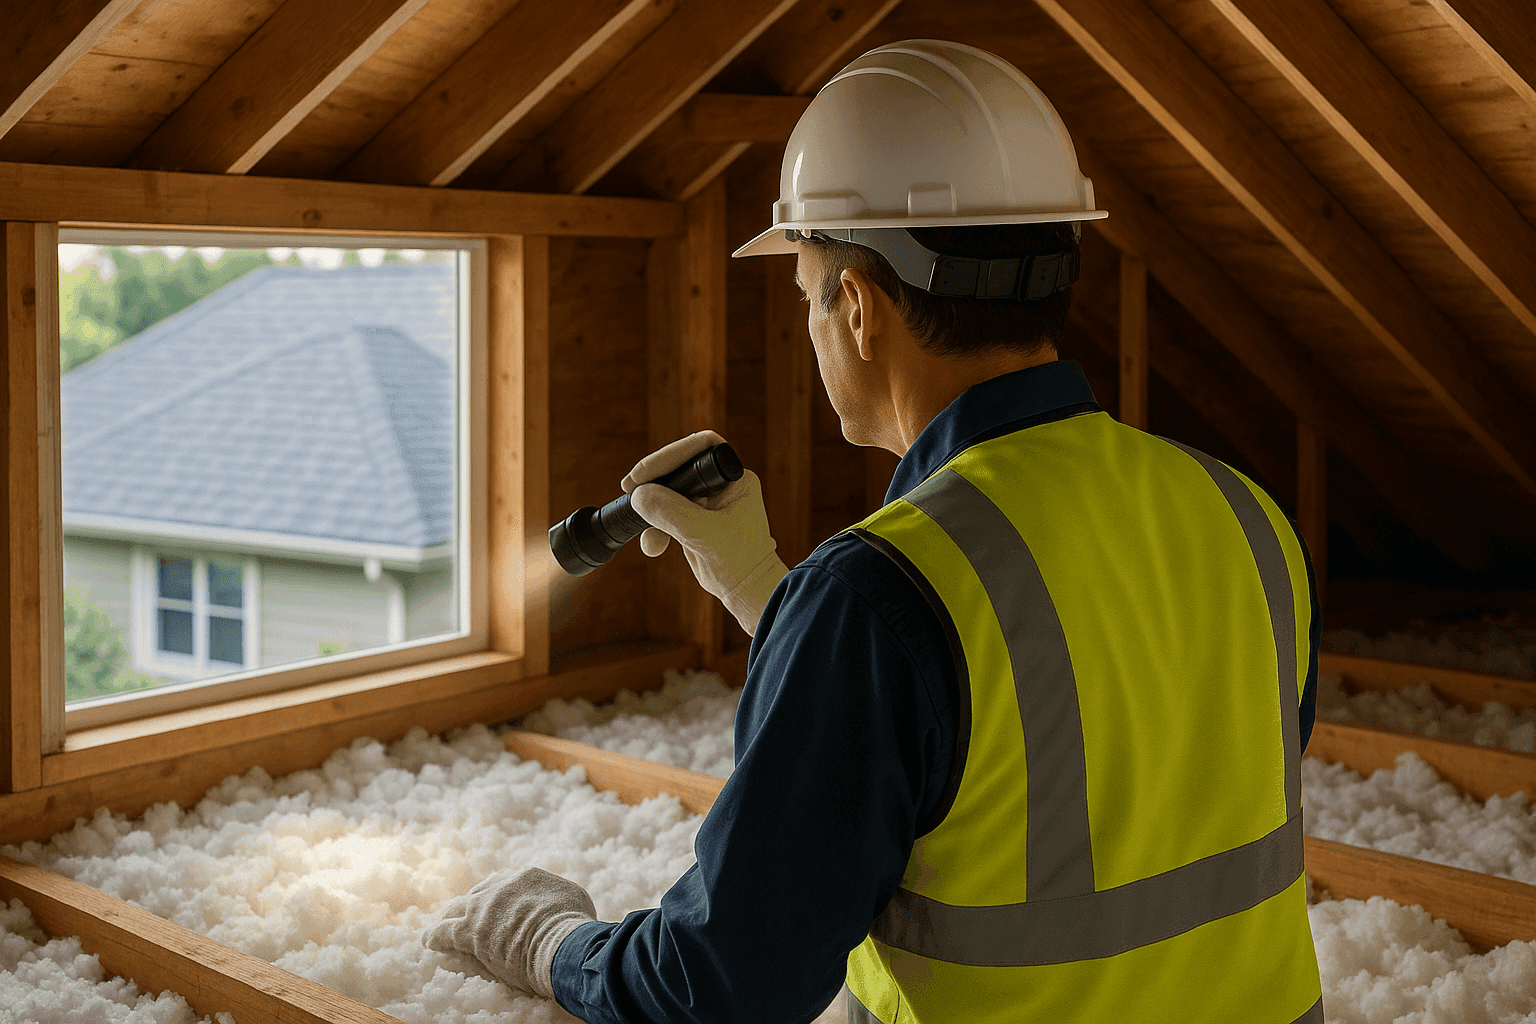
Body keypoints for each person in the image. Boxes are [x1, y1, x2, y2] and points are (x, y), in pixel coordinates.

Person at [425, 39, 1323, 1023]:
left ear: (855, 305)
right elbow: (1056, 742)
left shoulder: (881, 592)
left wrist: (552, 942)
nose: (812, 323)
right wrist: (766, 586)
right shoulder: (1244, 513)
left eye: (807, 293)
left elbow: (723, 987)